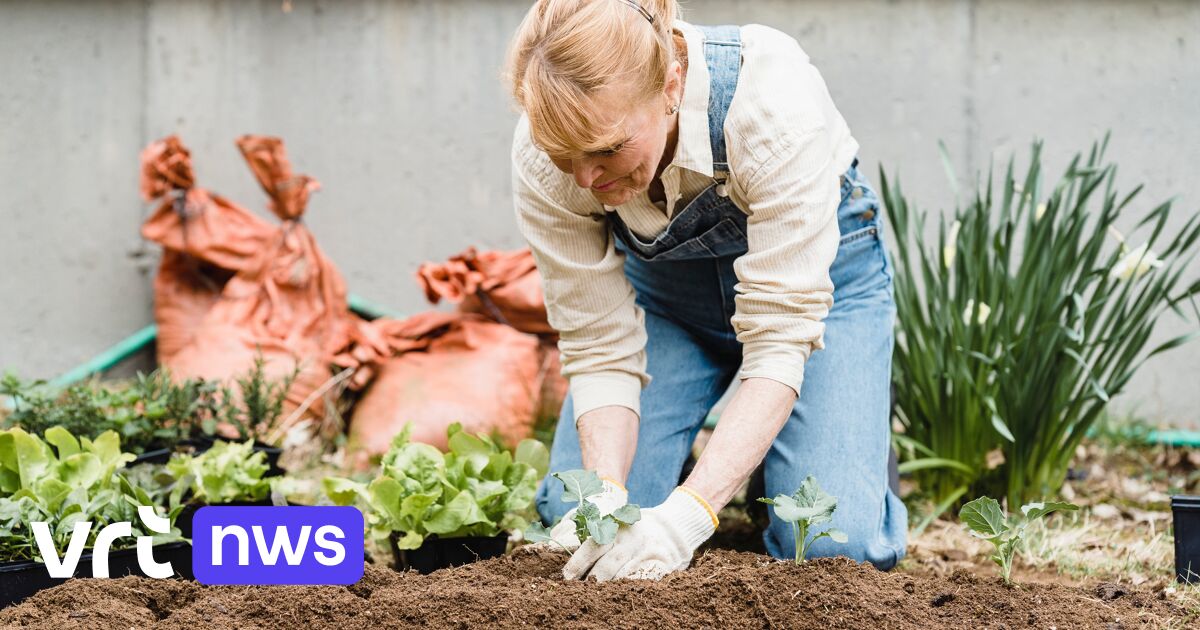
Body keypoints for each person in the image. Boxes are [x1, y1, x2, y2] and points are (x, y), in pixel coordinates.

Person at [504, 0, 907, 581]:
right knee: (577, 519)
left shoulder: (768, 105)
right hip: (670, 308)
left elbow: (779, 342)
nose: (586, 179)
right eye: (565, 156)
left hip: (820, 299)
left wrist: (687, 518)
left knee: (827, 545)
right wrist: (606, 501)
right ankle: (727, 450)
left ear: (670, 83)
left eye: (607, 149)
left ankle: (829, 436)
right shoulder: (547, 152)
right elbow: (598, 347)